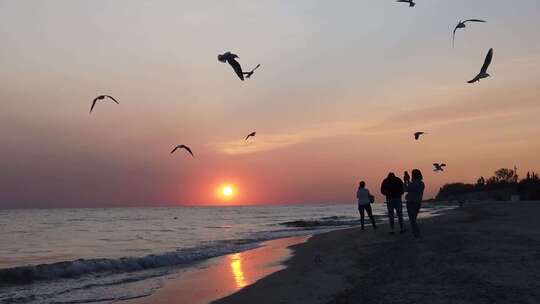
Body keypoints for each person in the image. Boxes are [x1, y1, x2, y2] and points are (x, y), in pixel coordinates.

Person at [405, 169, 425, 238]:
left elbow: (405, 189)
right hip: (418, 202)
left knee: (412, 220)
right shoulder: (421, 183)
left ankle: (417, 234)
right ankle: (416, 234)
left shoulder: (413, 183)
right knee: (413, 219)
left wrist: (406, 181)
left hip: (411, 203)